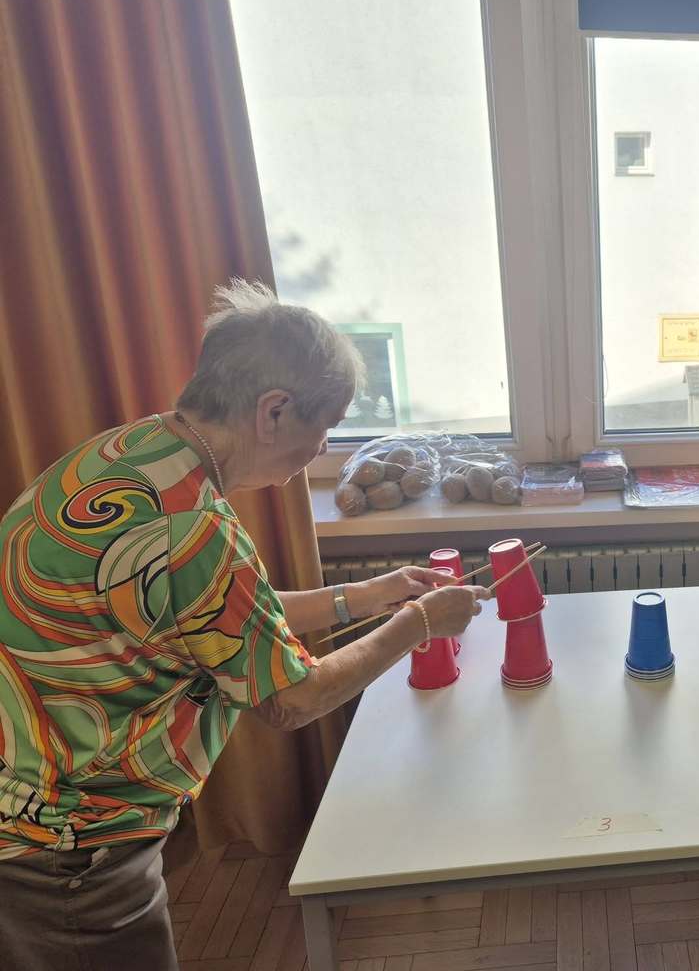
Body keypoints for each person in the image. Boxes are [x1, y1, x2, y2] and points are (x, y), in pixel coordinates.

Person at [0, 280, 488, 970]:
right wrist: (419, 622)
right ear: (274, 411)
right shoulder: (192, 526)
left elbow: (220, 614)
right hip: (65, 838)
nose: (319, 450)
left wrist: (364, 596)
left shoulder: (134, 453)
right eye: (322, 429)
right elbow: (292, 701)